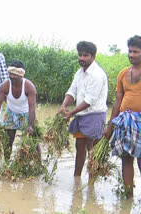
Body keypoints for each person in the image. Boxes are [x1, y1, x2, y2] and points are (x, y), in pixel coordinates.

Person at [57, 41, 108, 176]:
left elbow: (89, 101)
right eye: (80, 55)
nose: (82, 58)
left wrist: (71, 113)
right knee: (79, 147)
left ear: (93, 56)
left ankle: (92, 181)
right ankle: (77, 177)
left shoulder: (97, 74)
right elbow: (72, 91)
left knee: (92, 148)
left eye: (85, 55)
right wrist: (64, 105)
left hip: (95, 115)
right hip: (81, 114)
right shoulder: (79, 73)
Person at [103, 35, 141, 197]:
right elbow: (117, 101)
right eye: (130, 51)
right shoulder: (123, 74)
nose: (131, 55)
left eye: (135, 52)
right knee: (126, 158)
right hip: (124, 122)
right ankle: (128, 196)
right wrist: (110, 126)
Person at [0, 60, 37, 160]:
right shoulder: (5, 86)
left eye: (15, 74)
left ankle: (38, 163)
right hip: (11, 112)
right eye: (10, 73)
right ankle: (7, 164)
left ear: (21, 75)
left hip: (26, 113)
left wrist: (30, 125)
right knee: (8, 141)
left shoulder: (29, 87)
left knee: (32, 141)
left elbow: (32, 108)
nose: (12, 76)